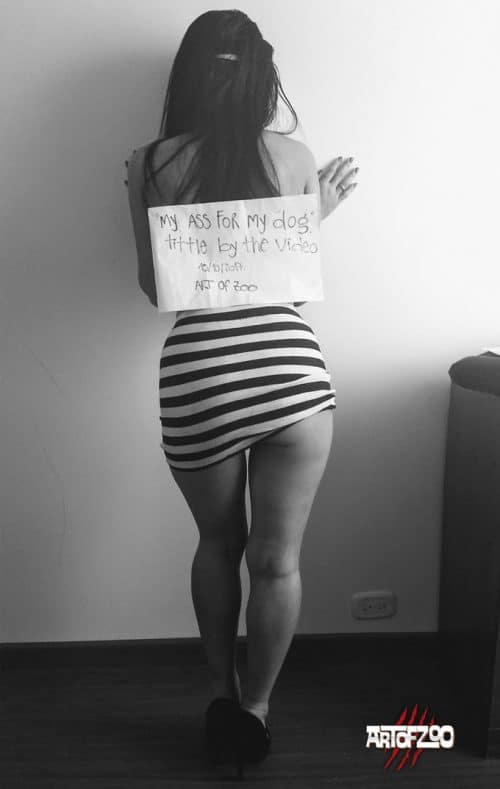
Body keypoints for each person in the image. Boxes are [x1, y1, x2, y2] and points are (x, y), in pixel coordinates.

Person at [125, 9, 358, 779]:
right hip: (291, 370)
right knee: (278, 560)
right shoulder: (294, 157)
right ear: (263, 78)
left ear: (189, 76)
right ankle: (257, 710)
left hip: (201, 372)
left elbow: (157, 289)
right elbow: (290, 283)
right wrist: (314, 214)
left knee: (218, 546)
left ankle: (222, 698)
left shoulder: (151, 163)